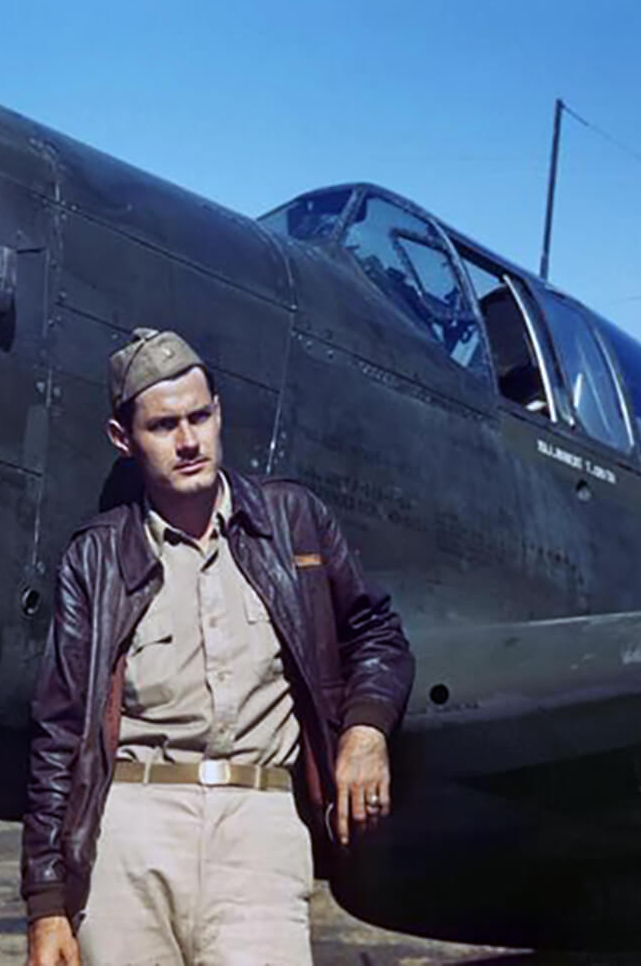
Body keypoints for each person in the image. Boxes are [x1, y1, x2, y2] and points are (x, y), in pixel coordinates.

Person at [21, 328, 414, 966]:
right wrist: (45, 906)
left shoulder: (293, 522)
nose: (188, 441)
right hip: (130, 830)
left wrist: (365, 732)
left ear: (219, 413)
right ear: (124, 440)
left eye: (200, 416)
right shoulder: (94, 556)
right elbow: (59, 733)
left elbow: (377, 634)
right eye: (164, 425)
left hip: (258, 820)